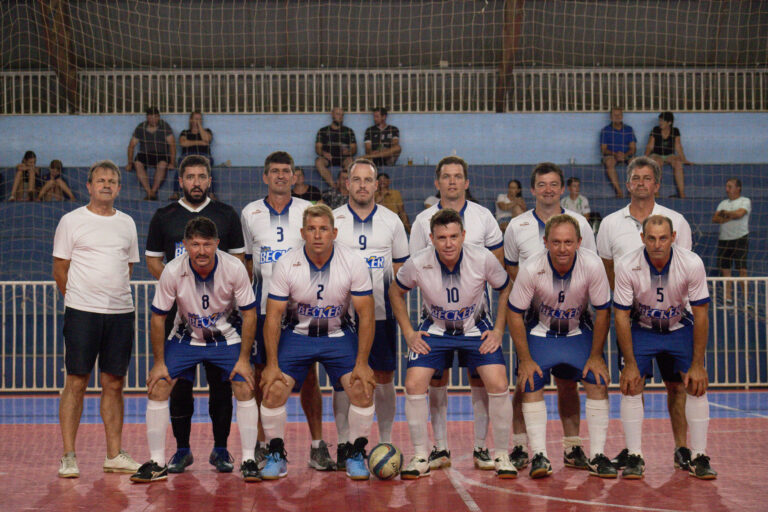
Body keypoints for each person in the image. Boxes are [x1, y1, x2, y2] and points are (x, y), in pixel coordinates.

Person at [130, 217, 261, 483]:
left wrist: (244, 360)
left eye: (207, 244)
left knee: (245, 384)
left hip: (225, 338)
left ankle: (248, 459)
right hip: (185, 338)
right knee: (158, 385)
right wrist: (159, 363)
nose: (201, 251)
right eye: (195, 244)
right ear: (185, 245)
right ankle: (157, 462)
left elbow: (250, 314)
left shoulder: (234, 267)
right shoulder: (172, 270)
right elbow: (157, 318)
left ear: (217, 244)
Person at [390, 208, 516, 479]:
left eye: (453, 237)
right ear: (431, 239)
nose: (448, 243)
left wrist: (498, 330)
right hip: (435, 331)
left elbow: (506, 288)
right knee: (413, 384)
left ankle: (500, 454)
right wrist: (409, 333)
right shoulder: (418, 262)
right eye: (442, 237)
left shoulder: (482, 258)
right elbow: (395, 291)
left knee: (498, 382)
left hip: (475, 329)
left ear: (464, 236)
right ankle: (421, 455)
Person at [258, 205, 377, 480]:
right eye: (311, 229)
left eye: (323, 229)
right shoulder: (287, 263)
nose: (318, 235)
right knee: (273, 389)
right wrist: (272, 364)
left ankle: (355, 453)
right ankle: (276, 455)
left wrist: (362, 363)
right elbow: (273, 316)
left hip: (338, 335)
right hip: (297, 335)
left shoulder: (352, 262)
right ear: (302, 233)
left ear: (334, 232)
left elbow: (367, 315)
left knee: (362, 387)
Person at [145, 154, 246, 474]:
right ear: (181, 181)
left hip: (220, 319)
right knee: (178, 386)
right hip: (180, 318)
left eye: (202, 176)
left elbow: (239, 263)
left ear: (210, 180)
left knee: (222, 386)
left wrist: (216, 294)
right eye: (190, 177)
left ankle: (221, 449)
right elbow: (153, 260)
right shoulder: (164, 216)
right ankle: (181, 450)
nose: (196, 182)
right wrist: (180, 287)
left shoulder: (226, 214)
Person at [596, 156, 694, 472]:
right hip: (634, 321)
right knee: (632, 383)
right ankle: (633, 451)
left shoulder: (676, 221)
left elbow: (685, 267)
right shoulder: (611, 223)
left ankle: (682, 448)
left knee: (677, 386)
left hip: (673, 319)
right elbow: (607, 269)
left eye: (647, 178)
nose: (641, 183)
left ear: (657, 184)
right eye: (635, 178)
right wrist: (626, 305)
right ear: (627, 184)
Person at [409, 156, 504, 472]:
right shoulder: (422, 220)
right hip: (436, 321)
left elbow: (498, 269)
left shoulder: (483, 216)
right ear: (437, 182)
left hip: (476, 321)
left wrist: (495, 325)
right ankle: (439, 447)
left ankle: (481, 447)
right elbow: (416, 267)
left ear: (467, 182)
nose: (452, 181)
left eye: (457, 176)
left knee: (481, 379)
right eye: (446, 176)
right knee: (436, 379)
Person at [240, 151, 332, 471]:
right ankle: (264, 445)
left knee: (309, 378)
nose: (281, 175)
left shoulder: (308, 211)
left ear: (295, 177)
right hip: (264, 308)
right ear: (265, 176)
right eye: (275, 171)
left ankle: (317, 446)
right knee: (261, 376)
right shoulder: (249, 212)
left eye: (286, 171)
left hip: (301, 310)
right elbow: (246, 262)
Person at [503, 162, 597, 472]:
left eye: (554, 184)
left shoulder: (580, 223)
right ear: (532, 189)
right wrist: (533, 297)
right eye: (542, 184)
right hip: (531, 316)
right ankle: (521, 446)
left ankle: (572, 448)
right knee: (525, 382)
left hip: (571, 316)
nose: (548, 189)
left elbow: (589, 265)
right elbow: (511, 268)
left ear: (562, 188)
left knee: (568, 383)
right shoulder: (517, 225)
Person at [507, 214, 615, 479]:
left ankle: (595, 454)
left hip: (577, 332)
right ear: (545, 242)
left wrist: (596, 356)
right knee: (530, 380)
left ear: (579, 242)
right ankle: (539, 455)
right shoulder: (531, 267)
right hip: (541, 333)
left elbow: (603, 311)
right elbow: (514, 313)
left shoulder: (592, 265)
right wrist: (525, 359)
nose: (562, 248)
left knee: (597, 380)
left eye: (568, 242)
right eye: (556, 242)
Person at [52, 160, 141, 478]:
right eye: (100, 180)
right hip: (82, 313)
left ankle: (114, 455)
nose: (106, 184)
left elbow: (128, 267)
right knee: (76, 381)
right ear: (89, 186)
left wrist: (109, 298)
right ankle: (69, 456)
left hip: (120, 314)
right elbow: (60, 268)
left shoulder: (127, 223)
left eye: (112, 180)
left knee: (114, 383)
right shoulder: (71, 221)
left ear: (118, 188)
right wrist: (79, 300)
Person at [613, 215, 717, 480]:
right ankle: (634, 455)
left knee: (693, 384)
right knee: (631, 384)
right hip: (642, 328)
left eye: (663, 238)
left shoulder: (691, 262)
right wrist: (630, 364)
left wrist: (698, 364)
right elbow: (621, 316)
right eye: (651, 238)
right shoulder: (626, 264)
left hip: (678, 326)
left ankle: (696, 455)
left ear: (673, 238)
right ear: (642, 238)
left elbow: (701, 314)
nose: (657, 244)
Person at [332, 158, 409, 466]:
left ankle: (385, 441)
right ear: (347, 184)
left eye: (368, 180)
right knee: (343, 380)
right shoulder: (334, 220)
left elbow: (401, 270)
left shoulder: (392, 221)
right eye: (357, 180)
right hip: (341, 317)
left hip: (381, 314)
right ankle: (343, 444)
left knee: (384, 377)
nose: (362, 185)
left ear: (377, 185)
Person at [712, 178, 751, 303]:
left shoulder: (745, 201)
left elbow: (740, 214)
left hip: (740, 239)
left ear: (738, 188)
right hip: (724, 240)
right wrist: (731, 215)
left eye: (730, 186)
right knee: (725, 270)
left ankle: (746, 300)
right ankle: (728, 298)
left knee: (742, 270)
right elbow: (715, 219)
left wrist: (725, 214)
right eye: (726, 186)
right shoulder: (723, 203)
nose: (727, 189)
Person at [127, 106, 176, 200]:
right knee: (137, 163)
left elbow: (172, 145)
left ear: (159, 117)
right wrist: (129, 163)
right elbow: (131, 146)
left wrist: (172, 163)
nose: (153, 120)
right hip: (145, 154)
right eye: (151, 117)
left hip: (161, 154)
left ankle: (153, 191)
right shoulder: (141, 127)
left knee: (162, 164)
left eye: (155, 117)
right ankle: (149, 191)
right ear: (147, 118)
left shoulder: (165, 126)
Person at [645, 111, 691, 198]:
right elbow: (650, 146)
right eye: (659, 120)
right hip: (656, 154)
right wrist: (645, 158)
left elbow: (678, 147)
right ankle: (656, 192)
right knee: (657, 163)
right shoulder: (655, 130)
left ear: (669, 122)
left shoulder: (675, 131)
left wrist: (684, 159)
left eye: (662, 121)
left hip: (669, 155)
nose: (660, 123)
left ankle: (681, 193)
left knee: (678, 163)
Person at [171, 111, 214, 200]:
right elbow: (183, 143)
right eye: (195, 119)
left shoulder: (207, 131)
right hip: (187, 156)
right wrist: (201, 142)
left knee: (208, 168)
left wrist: (199, 127)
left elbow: (207, 140)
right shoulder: (185, 132)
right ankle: (176, 193)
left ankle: (211, 193)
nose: (197, 121)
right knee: (180, 166)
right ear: (191, 120)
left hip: (203, 155)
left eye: (199, 119)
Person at [315, 107, 357, 187]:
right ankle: (333, 186)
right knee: (318, 162)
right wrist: (324, 153)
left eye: (342, 115)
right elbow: (317, 149)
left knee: (351, 161)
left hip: (343, 158)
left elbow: (354, 149)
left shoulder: (348, 131)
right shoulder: (323, 131)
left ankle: (343, 186)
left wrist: (348, 152)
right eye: (338, 114)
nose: (340, 117)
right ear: (332, 115)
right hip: (328, 158)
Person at [601, 107, 637, 198]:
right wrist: (616, 154)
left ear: (622, 116)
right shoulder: (605, 130)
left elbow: (633, 148)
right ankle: (619, 191)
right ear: (610, 117)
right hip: (612, 155)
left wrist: (625, 155)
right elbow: (603, 149)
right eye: (614, 115)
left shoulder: (629, 129)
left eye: (619, 115)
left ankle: (631, 190)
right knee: (609, 162)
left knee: (635, 162)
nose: (617, 117)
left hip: (626, 155)